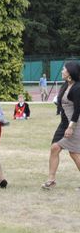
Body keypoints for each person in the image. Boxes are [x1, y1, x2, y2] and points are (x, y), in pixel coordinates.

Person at [42, 61, 80, 190]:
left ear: (70, 73)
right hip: (64, 123)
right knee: (54, 148)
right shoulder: (66, 85)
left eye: (64, 69)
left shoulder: (77, 87)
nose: (62, 71)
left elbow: (77, 110)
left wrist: (71, 127)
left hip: (74, 123)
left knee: (74, 153)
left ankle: (51, 180)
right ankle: (51, 180)